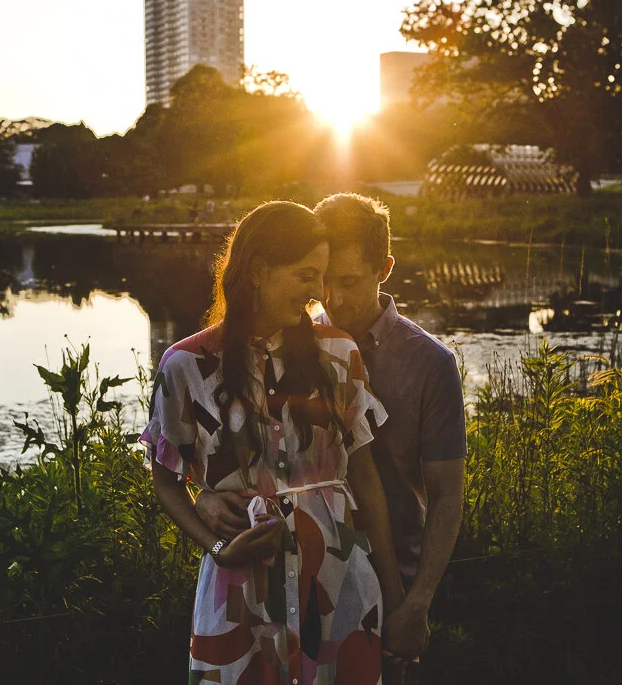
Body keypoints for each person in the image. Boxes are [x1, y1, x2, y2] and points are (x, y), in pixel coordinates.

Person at [197, 194, 466, 683]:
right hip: (298, 577)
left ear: (384, 269)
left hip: (394, 579)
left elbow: (447, 494)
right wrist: (206, 497)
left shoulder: (431, 364)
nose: (333, 299)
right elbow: (256, 456)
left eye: (349, 281)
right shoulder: (290, 344)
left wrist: (417, 601)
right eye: (321, 280)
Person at [144, 201, 405, 684]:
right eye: (306, 275)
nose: (318, 292)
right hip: (240, 590)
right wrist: (217, 546)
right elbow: (165, 482)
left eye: (321, 276)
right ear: (259, 271)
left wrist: (394, 593)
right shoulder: (185, 365)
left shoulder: (338, 354)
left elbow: (365, 476)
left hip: (339, 584)